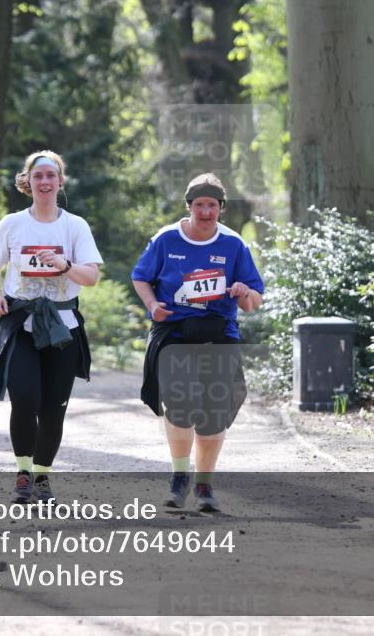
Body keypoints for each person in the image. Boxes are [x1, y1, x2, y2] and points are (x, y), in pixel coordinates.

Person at [131, 173, 264, 511]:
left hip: (219, 335)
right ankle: (179, 478)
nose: (206, 212)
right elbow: (141, 277)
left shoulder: (233, 244)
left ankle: (204, 487)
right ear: (189, 207)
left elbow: (254, 300)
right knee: (181, 404)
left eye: (212, 205)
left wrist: (244, 292)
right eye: (199, 205)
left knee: (213, 414)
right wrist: (153, 306)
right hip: (175, 333)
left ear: (221, 208)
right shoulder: (166, 239)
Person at [0, 150, 103, 504]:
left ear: (60, 181)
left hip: (62, 328)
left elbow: (92, 276)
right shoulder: (12, 224)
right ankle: (23, 473)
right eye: (39, 176)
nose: (45, 182)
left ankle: (43, 476)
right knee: (24, 398)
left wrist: (65, 265)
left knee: (54, 406)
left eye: (51, 176)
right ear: (29, 182)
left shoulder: (75, 226)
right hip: (21, 323)